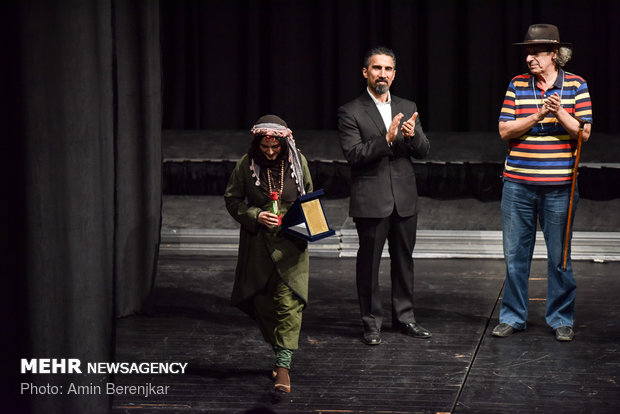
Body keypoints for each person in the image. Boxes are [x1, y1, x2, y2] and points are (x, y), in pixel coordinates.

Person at [493, 24, 593, 342]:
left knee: (559, 256)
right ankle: (512, 316)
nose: (530, 58)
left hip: (560, 187)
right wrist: (537, 116)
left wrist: (559, 111)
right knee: (515, 255)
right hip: (518, 186)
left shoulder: (576, 85)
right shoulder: (517, 85)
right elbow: (505, 131)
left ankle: (561, 317)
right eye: (528, 52)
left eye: (536, 52)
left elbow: (583, 132)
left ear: (554, 54)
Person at [337, 46, 431, 346]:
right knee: (369, 265)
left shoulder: (407, 104)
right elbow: (354, 154)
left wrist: (410, 136)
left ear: (394, 74)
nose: (383, 74)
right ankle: (371, 322)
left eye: (388, 69)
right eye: (377, 68)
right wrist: (387, 139)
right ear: (366, 72)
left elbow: (424, 150)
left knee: (404, 261)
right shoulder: (350, 110)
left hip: (404, 198)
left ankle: (405, 318)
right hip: (372, 199)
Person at [224, 114, 313, 392]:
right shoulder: (245, 166)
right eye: (265, 148)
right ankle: (279, 351)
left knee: (289, 303)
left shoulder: (298, 162)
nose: (271, 152)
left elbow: (309, 195)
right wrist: (256, 215)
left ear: (284, 143)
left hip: (292, 246)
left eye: (276, 147)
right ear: (257, 144)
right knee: (262, 303)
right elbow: (233, 199)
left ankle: (284, 366)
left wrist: (306, 223)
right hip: (259, 246)